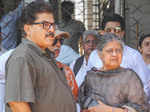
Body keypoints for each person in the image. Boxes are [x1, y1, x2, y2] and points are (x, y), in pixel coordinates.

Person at [5, 1, 76, 112]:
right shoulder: (23, 57)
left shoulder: (44, 55)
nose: (52, 30)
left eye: (52, 25)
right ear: (28, 29)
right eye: (45, 25)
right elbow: (18, 105)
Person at [78, 33, 149, 112]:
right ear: (100, 54)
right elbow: (81, 100)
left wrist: (111, 110)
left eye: (118, 50)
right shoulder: (91, 76)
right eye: (110, 51)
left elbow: (142, 107)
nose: (114, 54)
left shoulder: (129, 77)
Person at [88, 14, 150, 101]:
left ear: (122, 33)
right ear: (103, 33)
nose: (113, 33)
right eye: (109, 30)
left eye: (117, 30)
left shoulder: (134, 56)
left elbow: (145, 86)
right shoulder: (94, 56)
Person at [48, 30, 79, 100]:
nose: (58, 45)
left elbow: (75, 98)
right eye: (54, 40)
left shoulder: (66, 70)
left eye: (61, 41)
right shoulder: (34, 67)